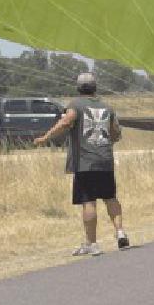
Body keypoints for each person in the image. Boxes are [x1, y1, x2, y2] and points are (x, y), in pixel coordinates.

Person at [33, 72, 129, 256]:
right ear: (95, 87)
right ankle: (120, 232)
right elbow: (116, 133)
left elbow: (66, 122)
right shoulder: (107, 107)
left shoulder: (75, 105)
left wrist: (45, 137)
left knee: (89, 201)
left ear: (78, 88)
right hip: (105, 161)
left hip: (85, 162)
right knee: (110, 197)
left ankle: (92, 243)